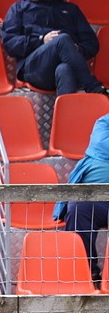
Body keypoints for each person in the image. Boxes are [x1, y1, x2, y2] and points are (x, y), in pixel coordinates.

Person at [1, 0, 103, 96]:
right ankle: (94, 88)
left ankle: (66, 116)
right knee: (62, 39)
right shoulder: (18, 9)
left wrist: (75, 50)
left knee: (65, 69)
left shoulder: (71, 9)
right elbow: (9, 42)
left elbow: (92, 44)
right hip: (34, 69)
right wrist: (41, 40)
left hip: (66, 67)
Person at [54, 114, 109, 284]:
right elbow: (102, 146)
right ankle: (86, 273)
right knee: (78, 208)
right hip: (95, 199)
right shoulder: (103, 122)